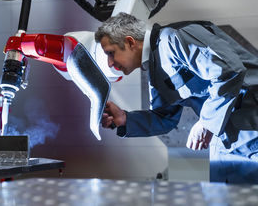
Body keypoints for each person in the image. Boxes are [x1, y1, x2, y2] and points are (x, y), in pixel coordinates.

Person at [95, 12, 258, 184]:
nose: (110, 63)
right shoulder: (156, 67)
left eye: (111, 53)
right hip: (225, 138)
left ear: (130, 42)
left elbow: (229, 71)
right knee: (222, 198)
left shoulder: (174, 38)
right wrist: (125, 119)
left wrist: (206, 122)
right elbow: (165, 118)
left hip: (250, 123)